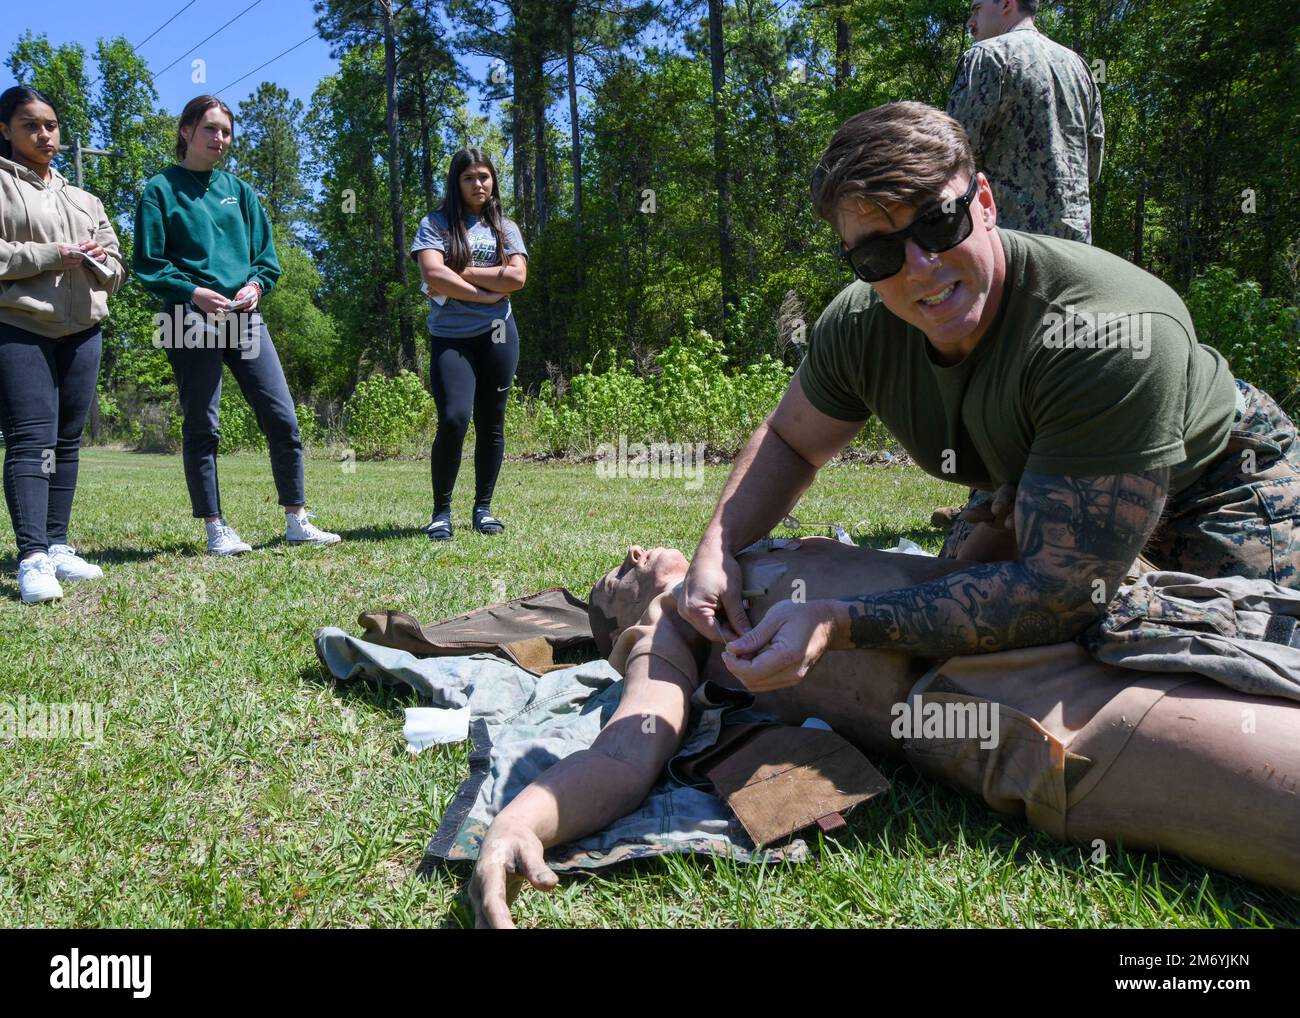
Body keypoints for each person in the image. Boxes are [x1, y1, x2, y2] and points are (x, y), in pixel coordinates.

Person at [674, 101, 1300, 691]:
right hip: (1037, 483)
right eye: (878, 252)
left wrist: (839, 623)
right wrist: (718, 547)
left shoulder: (1107, 333)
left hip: (1218, 483)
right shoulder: (860, 327)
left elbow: (1061, 597)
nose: (919, 266)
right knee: (967, 609)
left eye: (939, 222)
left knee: (1242, 655)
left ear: (986, 202)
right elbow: (791, 439)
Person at [469, 539, 1300, 927]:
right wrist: (521, 820)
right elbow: (627, 749)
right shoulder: (677, 627)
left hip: (1082, 617)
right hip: (1019, 705)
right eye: (617, 574)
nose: (629, 548)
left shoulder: (738, 558)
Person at [133, 95, 340, 556]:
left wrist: (256, 286)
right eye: (210, 129)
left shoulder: (240, 191)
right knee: (204, 425)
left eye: (226, 132)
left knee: (282, 417)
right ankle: (215, 527)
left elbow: (266, 259)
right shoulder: (160, 190)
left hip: (244, 320)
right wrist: (191, 293)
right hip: (188, 319)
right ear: (186, 130)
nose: (220, 139)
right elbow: (148, 264)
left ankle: (297, 518)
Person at [0, 86, 125, 603]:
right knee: (32, 439)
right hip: (20, 327)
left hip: (83, 330)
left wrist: (98, 261)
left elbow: (118, 267)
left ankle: (56, 544)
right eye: (30, 124)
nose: (44, 134)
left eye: (50, 124)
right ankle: (31, 557)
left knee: (66, 443)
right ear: (5, 130)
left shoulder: (83, 198)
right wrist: (52, 254)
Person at [410, 148, 528, 542]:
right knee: (454, 419)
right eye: (469, 178)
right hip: (451, 338)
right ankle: (441, 512)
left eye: (484, 177)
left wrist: (463, 271)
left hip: (498, 336)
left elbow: (516, 280)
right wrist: (483, 294)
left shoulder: (505, 228)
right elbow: (432, 273)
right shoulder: (435, 223)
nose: (478, 184)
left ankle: (483, 508)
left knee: (491, 422)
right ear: (455, 182)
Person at [947, 0, 1104, 243]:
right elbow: (1093, 165)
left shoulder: (986, 57)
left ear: (1007, 4)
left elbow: (953, 159)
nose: (970, 22)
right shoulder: (1080, 68)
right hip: (1076, 246)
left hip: (1010, 246)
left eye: (976, 9)